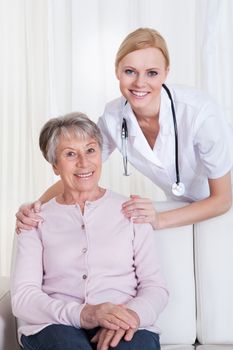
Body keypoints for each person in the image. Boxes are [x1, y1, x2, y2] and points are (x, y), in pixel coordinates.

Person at [16, 27, 233, 231]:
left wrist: (158, 219)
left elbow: (223, 199)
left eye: (152, 73)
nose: (140, 83)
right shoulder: (113, 117)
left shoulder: (200, 113)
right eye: (130, 71)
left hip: (223, 207)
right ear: (117, 71)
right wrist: (36, 206)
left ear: (166, 73)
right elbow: (80, 169)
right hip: (180, 207)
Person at [11, 112, 168, 350]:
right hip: (55, 325)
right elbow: (23, 298)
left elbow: (154, 287)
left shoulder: (131, 212)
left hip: (124, 321)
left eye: (90, 150)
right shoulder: (34, 219)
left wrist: (130, 317)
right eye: (70, 154)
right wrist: (83, 314)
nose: (84, 162)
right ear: (55, 165)